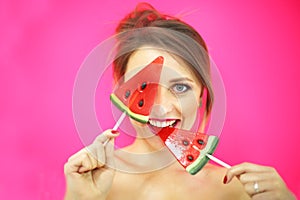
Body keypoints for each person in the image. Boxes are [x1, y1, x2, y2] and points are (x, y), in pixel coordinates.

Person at [64, 3, 296, 200]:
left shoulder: (235, 190)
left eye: (180, 87)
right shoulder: (90, 181)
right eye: (144, 86)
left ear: (200, 95)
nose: (161, 107)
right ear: (121, 89)